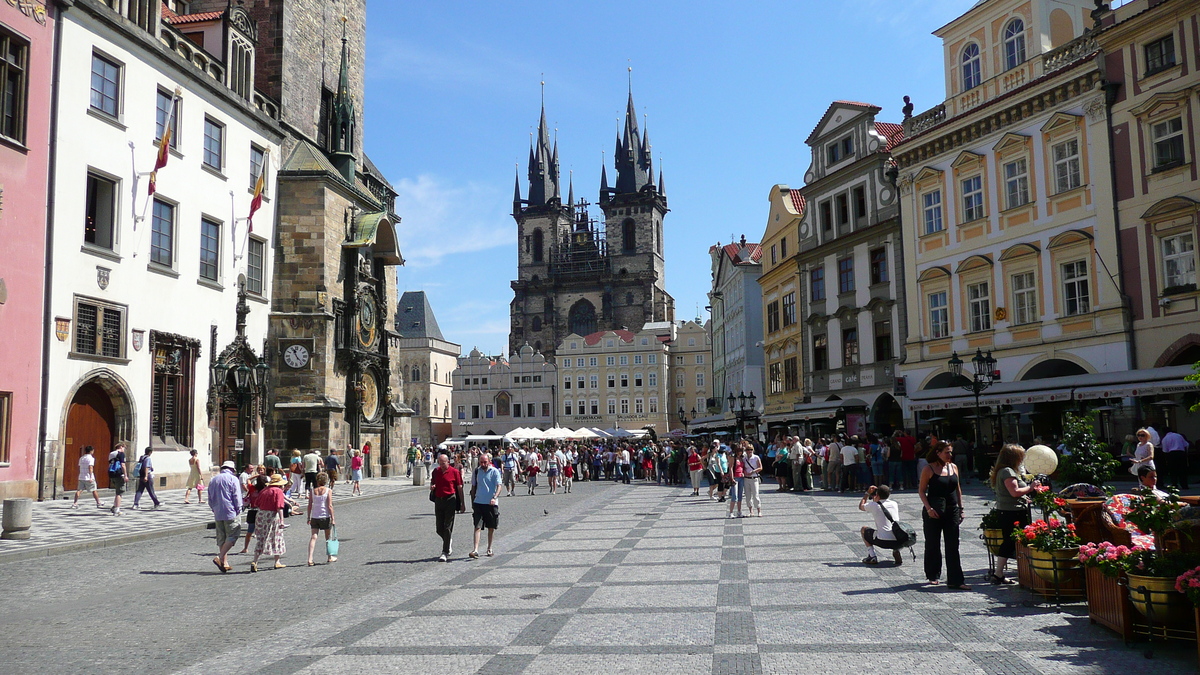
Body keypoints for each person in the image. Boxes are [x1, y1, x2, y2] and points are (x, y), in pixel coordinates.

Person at [919, 441, 968, 589]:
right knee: (933, 543)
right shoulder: (929, 469)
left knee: (953, 545)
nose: (950, 455)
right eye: (947, 452)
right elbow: (921, 491)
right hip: (933, 510)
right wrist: (928, 508)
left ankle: (956, 580)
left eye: (951, 452)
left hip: (951, 510)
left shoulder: (953, 467)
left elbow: (957, 489)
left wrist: (961, 508)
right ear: (938, 452)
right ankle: (933, 575)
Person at [989, 444, 1036, 585]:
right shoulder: (1008, 471)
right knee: (1011, 541)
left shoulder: (1003, 471)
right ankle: (999, 573)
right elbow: (1014, 492)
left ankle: (1003, 573)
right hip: (1012, 512)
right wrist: (1031, 487)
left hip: (1009, 510)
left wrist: (1024, 497)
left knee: (1012, 541)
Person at [208, 460, 243, 573]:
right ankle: (220, 557)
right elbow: (237, 496)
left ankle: (224, 562)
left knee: (222, 537)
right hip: (230, 511)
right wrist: (239, 508)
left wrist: (213, 508)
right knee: (233, 535)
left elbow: (210, 497)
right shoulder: (233, 479)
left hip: (218, 512)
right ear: (232, 469)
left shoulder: (213, 479)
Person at [249, 474, 288, 572]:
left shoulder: (264, 490)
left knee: (261, 538)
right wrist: (282, 520)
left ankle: (255, 561)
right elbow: (279, 507)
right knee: (276, 537)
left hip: (261, 515)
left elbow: (256, 503)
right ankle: (277, 562)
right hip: (272, 515)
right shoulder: (278, 491)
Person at [430, 453, 464, 562]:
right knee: (439, 528)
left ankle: (444, 552)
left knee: (447, 526)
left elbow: (459, 487)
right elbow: (433, 482)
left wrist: (462, 503)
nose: (441, 465)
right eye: (439, 463)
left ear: (448, 462)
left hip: (450, 500)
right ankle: (448, 540)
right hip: (439, 500)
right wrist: (432, 486)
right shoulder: (436, 472)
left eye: (443, 463)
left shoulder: (454, 472)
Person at [859, 484, 903, 566]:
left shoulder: (874, 505)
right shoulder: (894, 504)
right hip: (898, 541)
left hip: (882, 541)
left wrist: (867, 493)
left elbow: (861, 506)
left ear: (877, 495)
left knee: (863, 529)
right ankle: (896, 550)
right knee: (893, 530)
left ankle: (872, 556)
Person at [470, 452, 502, 558]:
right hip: (478, 502)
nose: (483, 464)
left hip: (491, 503)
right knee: (477, 526)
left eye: (485, 462)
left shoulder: (494, 471)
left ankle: (489, 548)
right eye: (481, 462)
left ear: (489, 462)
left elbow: (499, 486)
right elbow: (473, 487)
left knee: (491, 527)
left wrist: (495, 497)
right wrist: (473, 501)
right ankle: (475, 550)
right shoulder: (476, 472)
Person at [306, 471, 337, 565]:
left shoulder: (312, 491)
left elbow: (309, 505)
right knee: (328, 537)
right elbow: (330, 505)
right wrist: (333, 518)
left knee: (313, 537)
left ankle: (310, 558)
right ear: (326, 481)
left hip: (315, 516)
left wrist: (308, 517)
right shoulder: (328, 491)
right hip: (325, 516)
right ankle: (330, 557)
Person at [107, 442, 129, 516]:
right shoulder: (121, 454)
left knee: (117, 490)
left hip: (112, 474)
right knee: (119, 492)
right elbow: (123, 465)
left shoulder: (111, 454)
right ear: (121, 447)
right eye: (124, 448)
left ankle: (114, 507)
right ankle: (117, 509)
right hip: (119, 474)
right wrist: (125, 475)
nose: (124, 450)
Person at [743, 443, 763, 517]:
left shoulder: (756, 457)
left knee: (755, 495)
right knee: (748, 496)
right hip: (746, 478)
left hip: (754, 478)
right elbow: (742, 467)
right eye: (748, 450)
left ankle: (759, 510)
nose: (749, 451)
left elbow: (760, 467)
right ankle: (751, 511)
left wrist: (753, 471)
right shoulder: (744, 458)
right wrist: (744, 472)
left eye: (751, 450)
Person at [727, 445, 745, 519]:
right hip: (735, 477)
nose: (739, 453)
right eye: (738, 451)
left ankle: (739, 511)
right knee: (734, 496)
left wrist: (743, 472)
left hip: (741, 477)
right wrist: (732, 477)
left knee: (740, 495)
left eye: (741, 451)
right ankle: (730, 512)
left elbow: (742, 467)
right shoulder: (733, 458)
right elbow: (730, 467)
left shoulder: (742, 458)